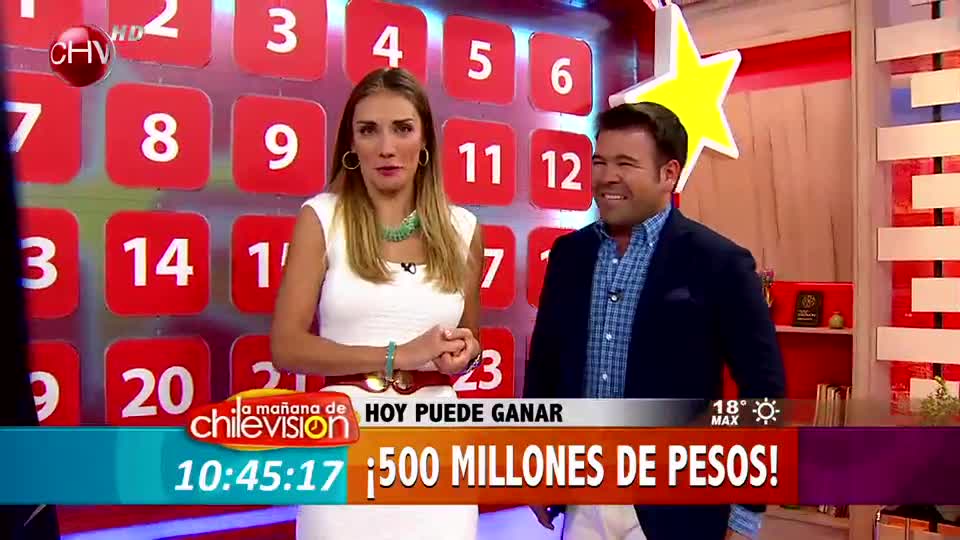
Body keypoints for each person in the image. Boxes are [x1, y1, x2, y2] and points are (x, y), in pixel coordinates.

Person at [523, 102, 786, 540]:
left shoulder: (719, 263)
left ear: (669, 174)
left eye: (625, 164)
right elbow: (545, 369)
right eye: (600, 162)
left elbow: (763, 392)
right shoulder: (570, 255)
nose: (607, 177)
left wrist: (745, 512)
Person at [271, 67, 483, 540]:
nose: (387, 147)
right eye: (369, 130)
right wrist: (397, 355)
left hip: (437, 448)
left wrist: (466, 353)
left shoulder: (464, 229)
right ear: (352, 144)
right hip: (344, 443)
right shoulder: (322, 218)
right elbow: (286, 347)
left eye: (402, 129)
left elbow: (472, 340)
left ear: (424, 141)